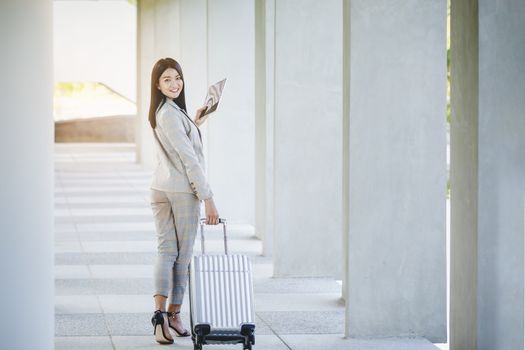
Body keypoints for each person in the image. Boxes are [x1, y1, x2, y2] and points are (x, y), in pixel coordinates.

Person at [148, 57, 219, 344]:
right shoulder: (169, 114)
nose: (174, 83)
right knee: (181, 255)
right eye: (167, 79)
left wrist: (197, 120)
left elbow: (180, 142)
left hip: (159, 188)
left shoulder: (165, 112)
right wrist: (209, 198)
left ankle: (161, 318)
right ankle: (171, 315)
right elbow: (188, 158)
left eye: (177, 78)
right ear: (157, 84)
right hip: (181, 192)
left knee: (166, 251)